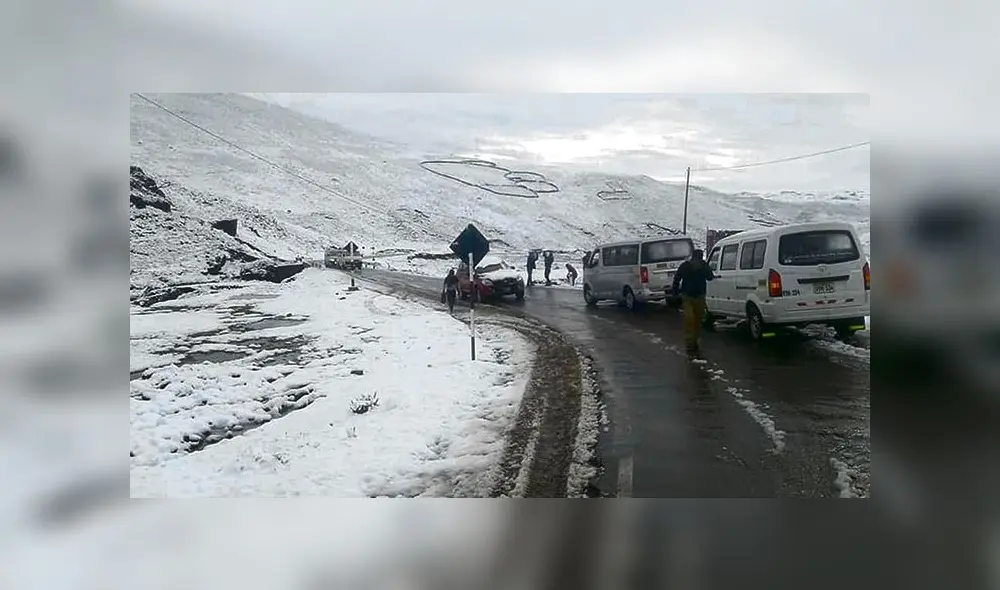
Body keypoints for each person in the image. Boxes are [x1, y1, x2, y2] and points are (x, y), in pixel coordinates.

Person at [671, 249, 715, 355]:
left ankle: (693, 341)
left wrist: (675, 292)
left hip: (694, 296)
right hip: (691, 296)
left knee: (693, 319)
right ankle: (691, 342)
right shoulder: (692, 266)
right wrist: (675, 292)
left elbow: (677, 279)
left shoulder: (686, 266)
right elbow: (710, 277)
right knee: (693, 319)